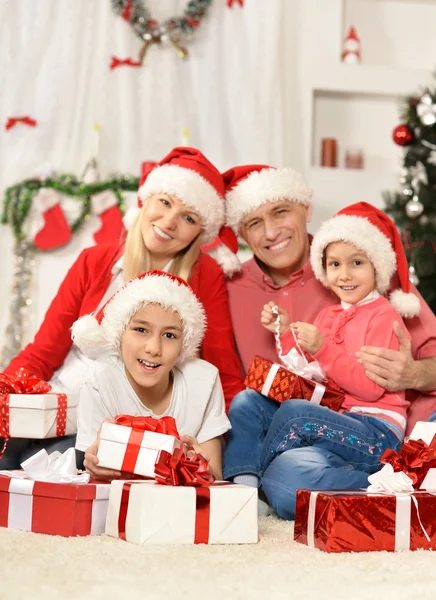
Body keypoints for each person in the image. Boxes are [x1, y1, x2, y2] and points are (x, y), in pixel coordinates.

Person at [0, 147, 243, 469]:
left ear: (201, 231)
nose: (168, 223)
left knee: (36, 463)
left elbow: (221, 370)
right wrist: (6, 389)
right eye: (165, 202)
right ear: (146, 200)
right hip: (59, 401)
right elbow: (44, 351)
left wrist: (237, 460)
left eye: (188, 217)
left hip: (117, 420)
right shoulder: (94, 260)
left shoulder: (204, 276)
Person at [224, 202, 421, 518]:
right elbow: (313, 374)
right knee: (250, 404)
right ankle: (245, 491)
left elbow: (369, 390)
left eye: (356, 263)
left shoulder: (384, 315)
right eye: (334, 265)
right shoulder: (328, 315)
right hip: (332, 421)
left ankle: (401, 481)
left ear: (377, 267)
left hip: (375, 432)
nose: (344, 275)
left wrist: (323, 348)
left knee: (294, 413)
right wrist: (286, 331)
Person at [223, 164, 436, 434]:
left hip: (380, 436)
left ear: (307, 209)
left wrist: (413, 374)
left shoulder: (360, 264)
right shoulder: (230, 288)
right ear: (241, 234)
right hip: (282, 437)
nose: (271, 233)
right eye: (254, 223)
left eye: (280, 212)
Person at [72, 270, 231, 480]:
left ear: (184, 344)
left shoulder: (204, 380)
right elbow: (92, 475)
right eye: (141, 330)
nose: (154, 348)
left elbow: (215, 477)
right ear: (119, 333)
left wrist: (199, 468)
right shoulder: (99, 378)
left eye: (169, 335)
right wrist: (92, 465)